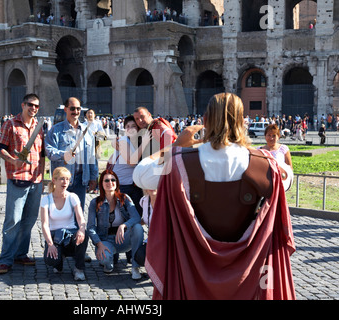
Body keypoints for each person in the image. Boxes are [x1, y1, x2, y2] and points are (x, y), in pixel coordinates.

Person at [142, 93, 296, 299]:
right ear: (242, 122)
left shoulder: (179, 163)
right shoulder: (268, 165)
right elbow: (288, 178)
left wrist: (176, 145)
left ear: (205, 121)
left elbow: (141, 175)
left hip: (193, 271)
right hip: (249, 272)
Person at [0, 93, 45, 274]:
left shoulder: (39, 127)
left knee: (29, 221)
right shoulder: (10, 124)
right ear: (23, 105)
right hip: (17, 177)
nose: (33, 108)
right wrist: (13, 161)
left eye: (36, 106)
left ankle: (21, 254)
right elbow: (0, 148)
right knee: (13, 220)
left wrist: (43, 177)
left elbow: (42, 154)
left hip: (36, 180)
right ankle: (5, 259)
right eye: (31, 105)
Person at [87, 170, 144, 280]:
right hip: (106, 240)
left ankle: (135, 267)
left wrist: (124, 225)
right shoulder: (95, 202)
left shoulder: (124, 198)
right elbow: (90, 227)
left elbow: (136, 217)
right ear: (101, 184)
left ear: (117, 182)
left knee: (138, 228)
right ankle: (110, 260)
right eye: (106, 180)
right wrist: (99, 244)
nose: (110, 182)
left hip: (123, 239)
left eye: (113, 180)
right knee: (106, 262)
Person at [45, 97, 99, 212]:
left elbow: (92, 156)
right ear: (65, 109)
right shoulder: (56, 130)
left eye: (78, 109)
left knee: (78, 213)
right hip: (61, 180)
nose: (76, 112)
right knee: (60, 214)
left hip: (81, 179)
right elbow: (49, 151)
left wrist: (94, 177)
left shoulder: (87, 131)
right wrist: (63, 155)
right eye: (72, 108)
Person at [40, 167, 88, 281]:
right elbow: (44, 224)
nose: (65, 182)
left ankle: (79, 269)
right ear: (54, 180)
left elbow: (81, 219)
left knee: (84, 235)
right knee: (50, 260)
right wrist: (50, 244)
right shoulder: (46, 200)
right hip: (54, 237)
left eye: (67, 179)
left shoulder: (73, 197)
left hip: (70, 235)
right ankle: (59, 261)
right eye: (62, 179)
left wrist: (81, 229)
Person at [111, 115, 151, 215]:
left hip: (134, 184)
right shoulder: (123, 140)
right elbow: (131, 161)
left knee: (137, 214)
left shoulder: (137, 141)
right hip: (122, 184)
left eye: (133, 126)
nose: (130, 128)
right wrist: (144, 143)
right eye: (127, 126)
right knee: (124, 215)